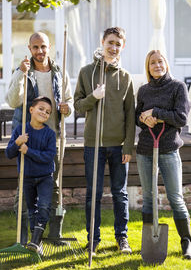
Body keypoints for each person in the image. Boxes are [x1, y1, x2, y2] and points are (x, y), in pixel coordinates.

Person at [5, 32, 73, 245]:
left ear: (49, 46)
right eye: (35, 47)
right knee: (25, 186)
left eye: (43, 46)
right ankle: (23, 237)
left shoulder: (59, 71)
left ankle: (54, 234)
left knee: (53, 184)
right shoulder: (23, 71)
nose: (40, 51)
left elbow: (69, 102)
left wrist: (67, 108)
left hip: (52, 136)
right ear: (29, 48)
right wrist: (20, 74)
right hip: (29, 135)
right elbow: (12, 101)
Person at [74, 27, 135, 255]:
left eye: (118, 44)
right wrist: (94, 97)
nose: (113, 47)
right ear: (102, 42)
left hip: (118, 145)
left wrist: (128, 145)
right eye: (110, 42)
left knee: (120, 193)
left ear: (122, 47)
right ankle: (93, 239)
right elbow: (78, 107)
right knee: (94, 194)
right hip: (93, 145)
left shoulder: (126, 77)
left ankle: (122, 238)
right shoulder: (86, 72)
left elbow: (130, 115)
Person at [135, 49, 191, 260]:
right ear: (148, 67)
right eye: (152, 63)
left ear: (166, 64)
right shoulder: (143, 90)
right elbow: (137, 116)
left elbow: (181, 118)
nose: (157, 65)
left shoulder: (178, 87)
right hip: (145, 149)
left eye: (160, 62)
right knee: (149, 198)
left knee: (175, 197)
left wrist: (156, 114)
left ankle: (186, 243)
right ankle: (149, 240)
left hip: (168, 148)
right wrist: (144, 118)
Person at [6, 96, 56, 253]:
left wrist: (29, 151)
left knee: (44, 206)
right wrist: (18, 142)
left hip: (45, 176)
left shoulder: (49, 134)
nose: (44, 113)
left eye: (48, 112)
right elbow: (9, 153)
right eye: (41, 109)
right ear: (31, 110)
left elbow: (48, 157)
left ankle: (35, 240)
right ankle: (36, 243)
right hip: (27, 176)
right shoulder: (20, 130)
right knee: (31, 209)